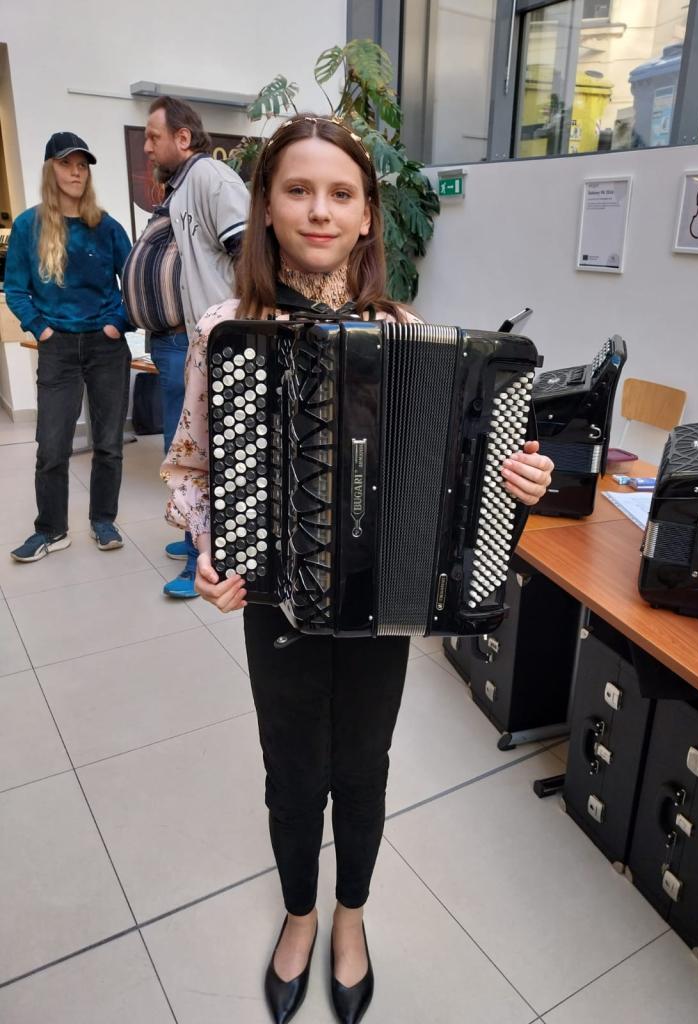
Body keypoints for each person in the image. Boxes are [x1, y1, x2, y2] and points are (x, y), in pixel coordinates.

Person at [161, 114, 554, 1024]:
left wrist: (515, 480)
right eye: (298, 190)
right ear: (265, 206)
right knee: (292, 766)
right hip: (276, 597)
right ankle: (300, 914)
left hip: (384, 598)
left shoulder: (405, 329)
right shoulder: (228, 329)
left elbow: (458, 476)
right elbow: (191, 468)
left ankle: (351, 917)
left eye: (341, 194)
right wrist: (211, 549)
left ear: (368, 214)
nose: (320, 210)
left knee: (364, 766)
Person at [122, 95, 250, 598]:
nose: (147, 147)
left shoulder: (211, 179)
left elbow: (247, 256)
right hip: (185, 340)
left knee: (208, 454)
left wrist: (238, 336)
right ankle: (194, 534)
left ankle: (208, 558)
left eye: (153, 137)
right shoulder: (181, 186)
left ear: (183, 137)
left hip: (215, 343)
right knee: (185, 452)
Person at [6, 132, 132, 563]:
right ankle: (51, 530)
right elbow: (16, 288)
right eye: (66, 164)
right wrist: (41, 329)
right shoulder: (28, 226)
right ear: (50, 170)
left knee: (109, 443)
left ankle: (103, 520)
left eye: (82, 165)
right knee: (51, 446)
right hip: (57, 347)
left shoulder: (106, 227)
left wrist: (118, 324)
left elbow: (135, 281)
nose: (76, 172)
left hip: (106, 347)